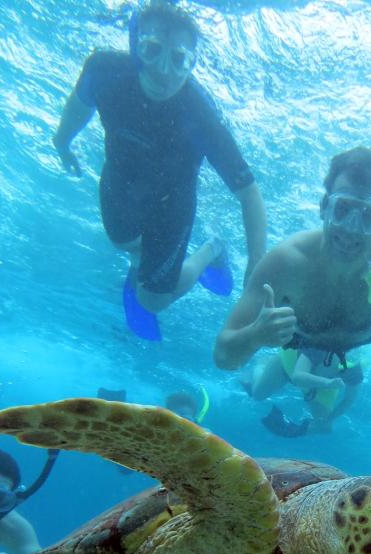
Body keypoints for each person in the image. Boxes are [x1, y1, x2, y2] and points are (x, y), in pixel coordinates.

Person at [52, 0, 266, 325]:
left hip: (173, 204)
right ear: (136, 45)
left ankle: (211, 249)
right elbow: (80, 106)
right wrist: (62, 143)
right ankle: (144, 261)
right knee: (121, 241)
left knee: (152, 302)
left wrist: (256, 265)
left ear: (192, 64)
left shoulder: (201, 116)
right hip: (120, 180)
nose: (163, 71)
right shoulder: (104, 71)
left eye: (179, 59)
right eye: (153, 50)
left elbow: (249, 193)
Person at [213, 146, 371, 379]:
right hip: (299, 337)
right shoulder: (286, 263)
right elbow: (223, 357)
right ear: (324, 207)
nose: (352, 229)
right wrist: (255, 335)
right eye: (342, 209)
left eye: (368, 216)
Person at [249, 348, 363, 437]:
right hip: (289, 366)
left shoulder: (354, 369)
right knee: (257, 394)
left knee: (324, 427)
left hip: (323, 385)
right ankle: (261, 364)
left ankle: (292, 431)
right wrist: (327, 383)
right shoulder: (319, 347)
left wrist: (329, 419)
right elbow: (298, 377)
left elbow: (348, 400)